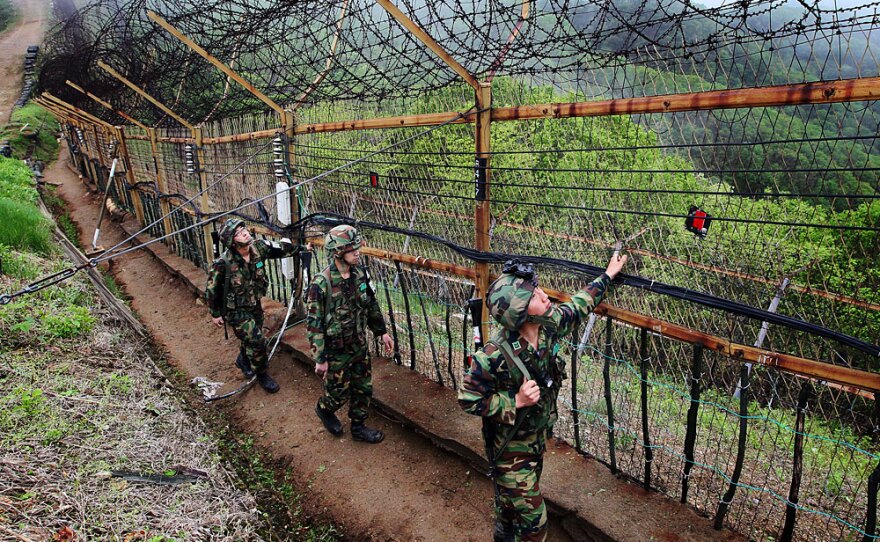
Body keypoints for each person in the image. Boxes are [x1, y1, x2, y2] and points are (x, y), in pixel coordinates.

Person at [458, 254, 628, 542]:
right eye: (533, 296)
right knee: (535, 525)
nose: (543, 295)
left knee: (516, 498)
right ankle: (510, 527)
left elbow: (578, 305)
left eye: (537, 289)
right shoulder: (493, 355)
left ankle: (504, 527)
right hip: (509, 450)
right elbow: (468, 398)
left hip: (536, 439)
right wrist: (515, 401)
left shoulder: (548, 327)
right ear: (520, 313)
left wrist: (608, 275)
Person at [307, 224, 395, 443]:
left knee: (362, 388)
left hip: (358, 344)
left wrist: (381, 332)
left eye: (357, 248)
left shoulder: (360, 274)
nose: (357, 253)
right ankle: (324, 409)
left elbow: (370, 304)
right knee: (337, 394)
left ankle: (358, 426)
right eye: (352, 250)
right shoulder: (321, 284)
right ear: (338, 252)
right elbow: (314, 324)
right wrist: (320, 358)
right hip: (336, 350)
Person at [206, 217, 301, 393]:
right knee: (257, 341)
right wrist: (215, 313)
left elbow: (279, 250)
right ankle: (261, 373)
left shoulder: (258, 248)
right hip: (236, 311)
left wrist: (300, 249)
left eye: (244, 229)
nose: (244, 232)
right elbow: (211, 289)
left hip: (254, 305)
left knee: (250, 336)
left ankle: (243, 360)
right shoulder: (223, 263)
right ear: (232, 241)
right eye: (239, 233)